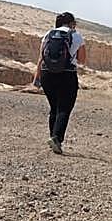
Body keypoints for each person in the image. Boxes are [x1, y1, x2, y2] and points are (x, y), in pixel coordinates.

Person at [34, 12, 87, 154]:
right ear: (71, 23)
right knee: (64, 108)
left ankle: (53, 137)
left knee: (54, 107)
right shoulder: (76, 36)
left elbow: (41, 58)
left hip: (46, 73)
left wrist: (37, 77)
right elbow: (82, 60)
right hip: (67, 74)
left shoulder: (48, 34)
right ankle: (56, 139)